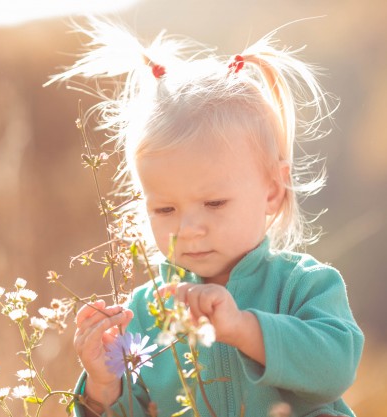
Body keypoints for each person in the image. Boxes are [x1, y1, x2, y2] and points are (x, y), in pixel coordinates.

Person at [45, 18, 364, 417]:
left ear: (272, 190)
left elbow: (336, 369)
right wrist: (103, 387)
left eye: (214, 203)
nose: (188, 229)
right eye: (165, 209)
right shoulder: (144, 313)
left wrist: (243, 327)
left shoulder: (303, 285)